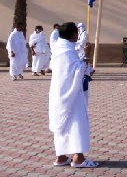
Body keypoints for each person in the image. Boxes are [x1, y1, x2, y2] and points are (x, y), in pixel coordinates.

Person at [48, 22, 98, 168]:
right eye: (77, 33)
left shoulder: (59, 48)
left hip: (59, 93)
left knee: (62, 124)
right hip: (70, 94)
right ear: (72, 35)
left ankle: (61, 157)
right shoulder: (67, 52)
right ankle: (79, 159)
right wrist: (87, 56)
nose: (78, 35)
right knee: (77, 123)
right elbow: (78, 71)